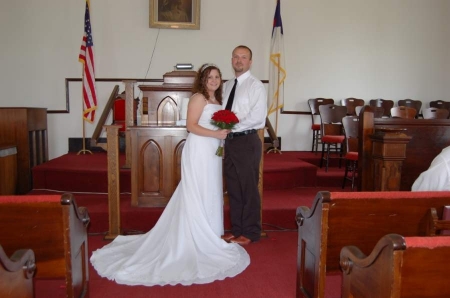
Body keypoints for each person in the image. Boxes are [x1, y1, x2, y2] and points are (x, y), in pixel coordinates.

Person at [90, 63, 250, 286]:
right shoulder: (198, 98)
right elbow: (191, 127)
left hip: (212, 152)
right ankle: (194, 237)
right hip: (198, 150)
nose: (213, 80)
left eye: (217, 77)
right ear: (202, 80)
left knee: (210, 190)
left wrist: (222, 135)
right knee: (196, 190)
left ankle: (210, 235)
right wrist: (216, 133)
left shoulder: (217, 101)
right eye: (209, 77)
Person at [221, 45, 268, 246]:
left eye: (244, 57)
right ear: (231, 60)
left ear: (250, 61)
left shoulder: (255, 86)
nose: (239, 60)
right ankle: (237, 229)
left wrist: (230, 126)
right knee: (233, 187)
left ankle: (251, 232)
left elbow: (257, 118)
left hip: (246, 140)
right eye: (236, 57)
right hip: (230, 142)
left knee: (248, 187)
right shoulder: (228, 85)